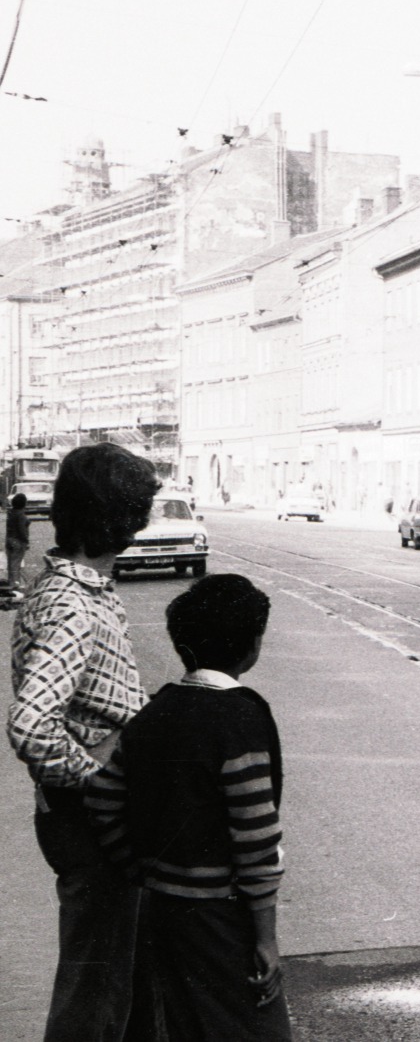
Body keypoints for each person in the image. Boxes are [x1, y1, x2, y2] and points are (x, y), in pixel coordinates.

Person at [88, 574, 291, 1041]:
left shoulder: (154, 712)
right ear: (251, 645)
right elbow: (256, 839)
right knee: (257, 1029)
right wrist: (266, 938)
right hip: (222, 917)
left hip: (162, 911)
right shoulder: (242, 718)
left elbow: (102, 798)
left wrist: (138, 870)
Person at [6, 442, 162, 1042]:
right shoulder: (72, 603)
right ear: (121, 519)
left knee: (116, 982)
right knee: (94, 997)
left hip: (91, 819)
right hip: (92, 821)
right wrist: (100, 779)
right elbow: (31, 723)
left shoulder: (73, 587)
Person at [7, 491, 30, 595]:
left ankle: (11, 582)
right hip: (18, 541)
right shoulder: (21, 515)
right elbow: (22, 530)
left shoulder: (11, 513)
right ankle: (15, 584)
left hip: (10, 540)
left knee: (11, 563)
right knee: (17, 563)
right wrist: (26, 541)